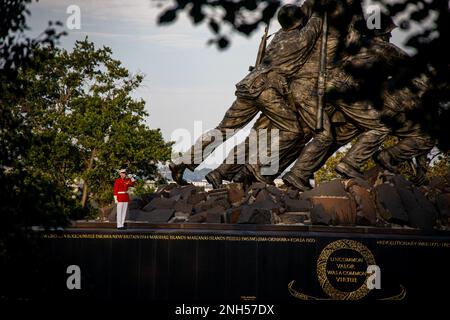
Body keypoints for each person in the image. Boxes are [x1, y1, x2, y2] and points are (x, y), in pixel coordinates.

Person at [169, 0, 324, 186]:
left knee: (223, 130)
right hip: (268, 89)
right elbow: (318, 19)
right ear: (299, 22)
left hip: (248, 84)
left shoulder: (278, 37)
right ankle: (257, 166)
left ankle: (183, 161)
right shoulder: (302, 38)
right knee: (294, 130)